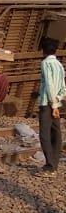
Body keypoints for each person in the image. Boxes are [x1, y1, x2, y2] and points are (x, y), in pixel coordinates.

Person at [37, 37, 66, 176]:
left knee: (44, 134)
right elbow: (63, 87)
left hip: (47, 103)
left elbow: (49, 84)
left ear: (43, 50)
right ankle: (54, 162)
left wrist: (53, 105)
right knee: (56, 133)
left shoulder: (45, 63)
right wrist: (58, 101)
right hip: (56, 102)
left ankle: (50, 166)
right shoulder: (59, 65)